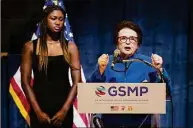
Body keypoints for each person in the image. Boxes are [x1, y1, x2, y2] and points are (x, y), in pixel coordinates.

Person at [88, 20, 172, 127]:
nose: (128, 42)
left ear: (138, 44)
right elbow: (90, 96)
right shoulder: (106, 63)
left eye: (132, 39)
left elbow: (166, 93)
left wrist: (160, 70)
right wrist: (100, 71)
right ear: (117, 43)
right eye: (123, 38)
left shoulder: (148, 63)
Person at [21, 5, 81, 128]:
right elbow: (25, 82)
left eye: (61, 19)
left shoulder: (70, 47)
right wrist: (38, 111)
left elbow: (77, 82)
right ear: (45, 20)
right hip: (39, 108)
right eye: (53, 18)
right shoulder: (30, 47)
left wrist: (64, 111)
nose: (58, 22)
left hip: (63, 109)